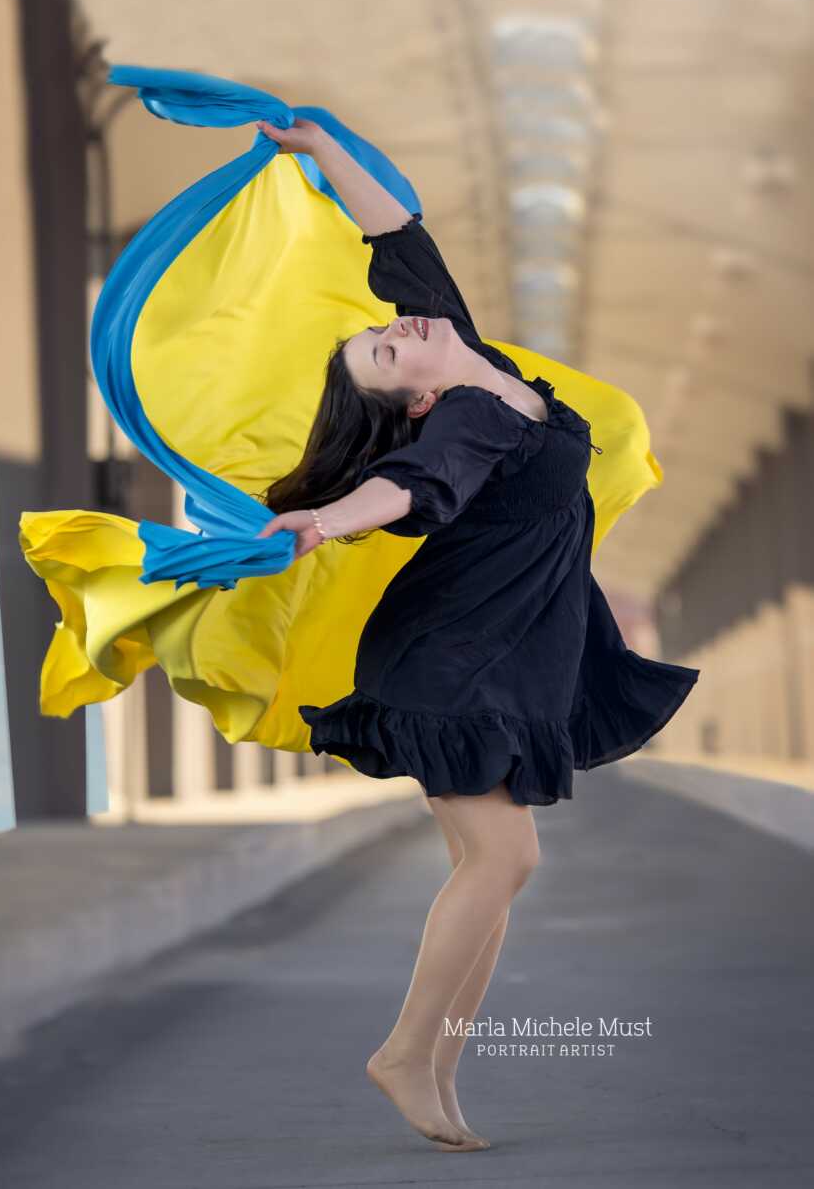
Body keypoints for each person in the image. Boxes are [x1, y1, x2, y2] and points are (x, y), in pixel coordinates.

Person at [254, 116, 700, 1154]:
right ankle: (407, 1052)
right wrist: (322, 520)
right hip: (451, 659)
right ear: (412, 397)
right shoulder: (464, 416)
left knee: (499, 862)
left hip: (500, 649)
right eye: (383, 352)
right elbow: (405, 485)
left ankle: (437, 1068)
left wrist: (316, 144)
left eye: (387, 329)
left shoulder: (472, 354)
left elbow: (399, 231)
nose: (399, 332)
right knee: (504, 860)